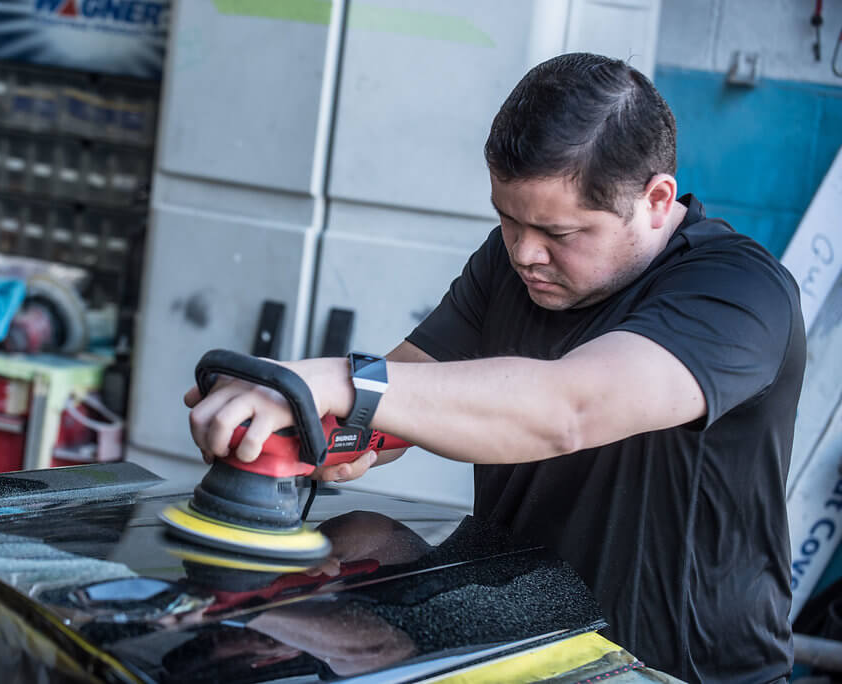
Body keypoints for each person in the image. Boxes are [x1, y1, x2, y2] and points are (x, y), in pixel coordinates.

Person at [184, 52, 805, 682]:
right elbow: (400, 398)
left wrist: (343, 382)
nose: (525, 253)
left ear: (656, 199)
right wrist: (302, 420)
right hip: (518, 648)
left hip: (672, 670)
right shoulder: (511, 263)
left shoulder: (738, 293)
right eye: (507, 219)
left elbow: (570, 407)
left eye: (558, 233)